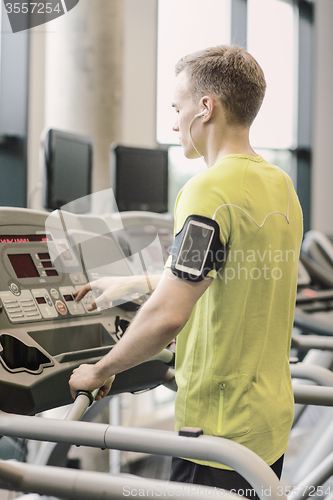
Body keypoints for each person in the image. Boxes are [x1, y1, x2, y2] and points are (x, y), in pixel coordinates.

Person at [69, 45, 303, 496]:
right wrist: (137, 282)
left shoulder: (208, 191)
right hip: (268, 420)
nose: (173, 123)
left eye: (177, 108)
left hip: (217, 429)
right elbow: (234, 271)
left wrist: (99, 371)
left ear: (205, 107)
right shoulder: (280, 185)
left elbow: (168, 316)